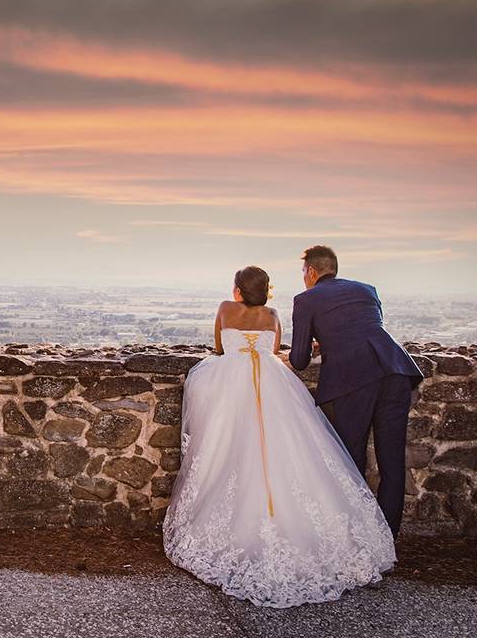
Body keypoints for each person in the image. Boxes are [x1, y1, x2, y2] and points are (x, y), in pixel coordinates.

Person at [162, 265, 397, 609]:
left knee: (228, 451)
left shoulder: (226, 309)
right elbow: (274, 351)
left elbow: (219, 348)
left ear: (238, 290)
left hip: (231, 385)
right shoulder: (272, 314)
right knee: (292, 455)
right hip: (274, 384)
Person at [288, 245, 424, 540]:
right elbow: (365, 329)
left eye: (303, 272)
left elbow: (298, 360)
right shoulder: (367, 290)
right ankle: (387, 538)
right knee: (391, 461)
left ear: (311, 271)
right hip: (395, 370)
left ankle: (357, 537)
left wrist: (317, 344)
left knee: (351, 459)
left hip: (353, 380)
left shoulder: (306, 299)